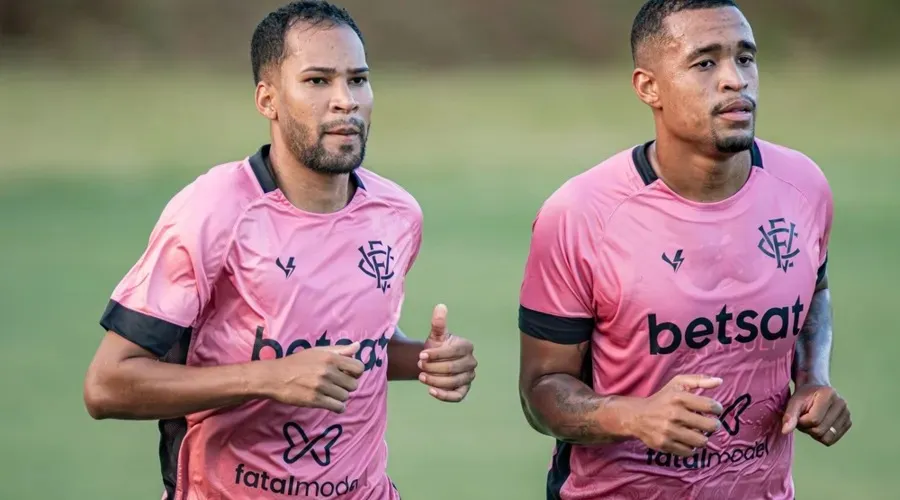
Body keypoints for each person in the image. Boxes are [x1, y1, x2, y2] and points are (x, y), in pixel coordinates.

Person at [82, 2, 478, 499]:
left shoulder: (397, 213)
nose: (345, 101)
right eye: (317, 81)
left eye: (358, 80)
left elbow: (356, 348)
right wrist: (268, 377)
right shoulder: (212, 213)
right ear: (267, 99)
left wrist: (424, 359)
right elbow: (107, 386)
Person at [516, 0, 851, 498]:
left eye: (745, 58)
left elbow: (813, 294)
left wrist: (813, 376)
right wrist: (634, 416)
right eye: (705, 62)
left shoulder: (803, 187)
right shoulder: (581, 214)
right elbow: (540, 392)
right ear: (648, 86)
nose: (736, 80)